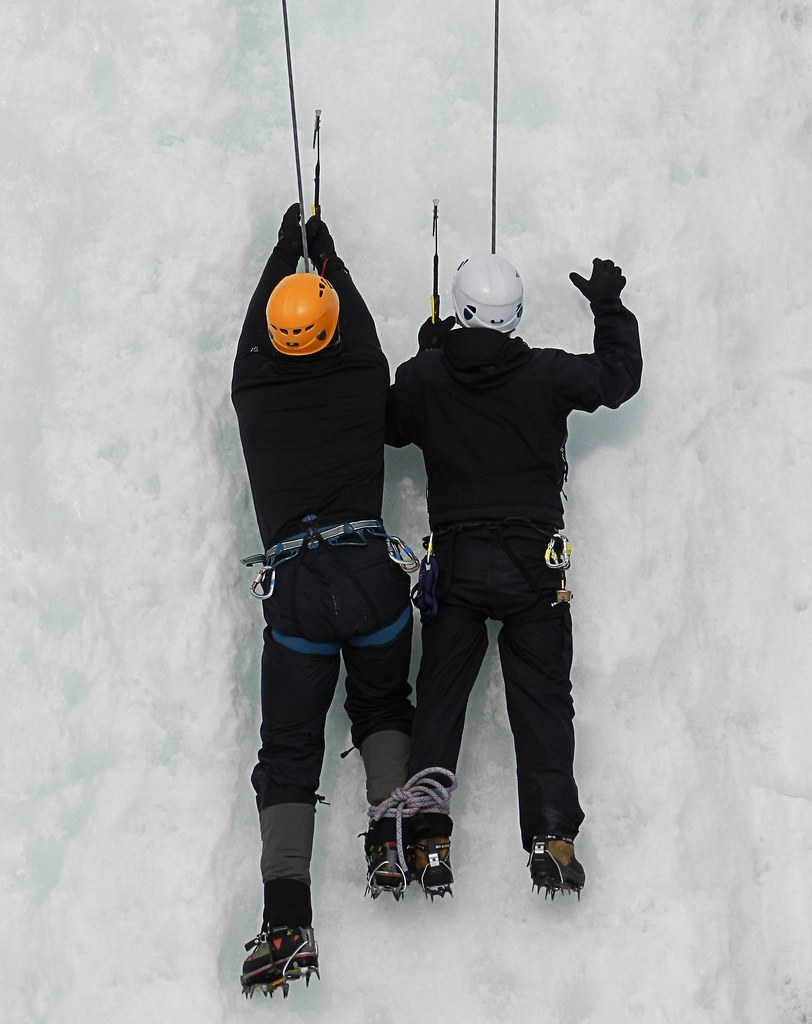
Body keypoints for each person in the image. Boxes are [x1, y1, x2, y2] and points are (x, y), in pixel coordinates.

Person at [384, 253, 642, 899]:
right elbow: (617, 380)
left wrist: (427, 354)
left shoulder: (425, 376)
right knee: (544, 704)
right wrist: (608, 306)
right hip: (535, 562)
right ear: (515, 315)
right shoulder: (548, 372)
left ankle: (428, 839)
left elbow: (389, 427)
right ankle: (554, 839)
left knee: (441, 701)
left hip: (459, 562)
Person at [231, 204, 414, 997]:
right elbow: (356, 321)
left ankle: (287, 922)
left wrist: (283, 251)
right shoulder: (363, 372)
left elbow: (255, 329)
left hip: (297, 592)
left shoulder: (252, 393)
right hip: (370, 574)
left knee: (290, 753)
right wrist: (325, 257)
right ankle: (394, 836)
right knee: (382, 709)